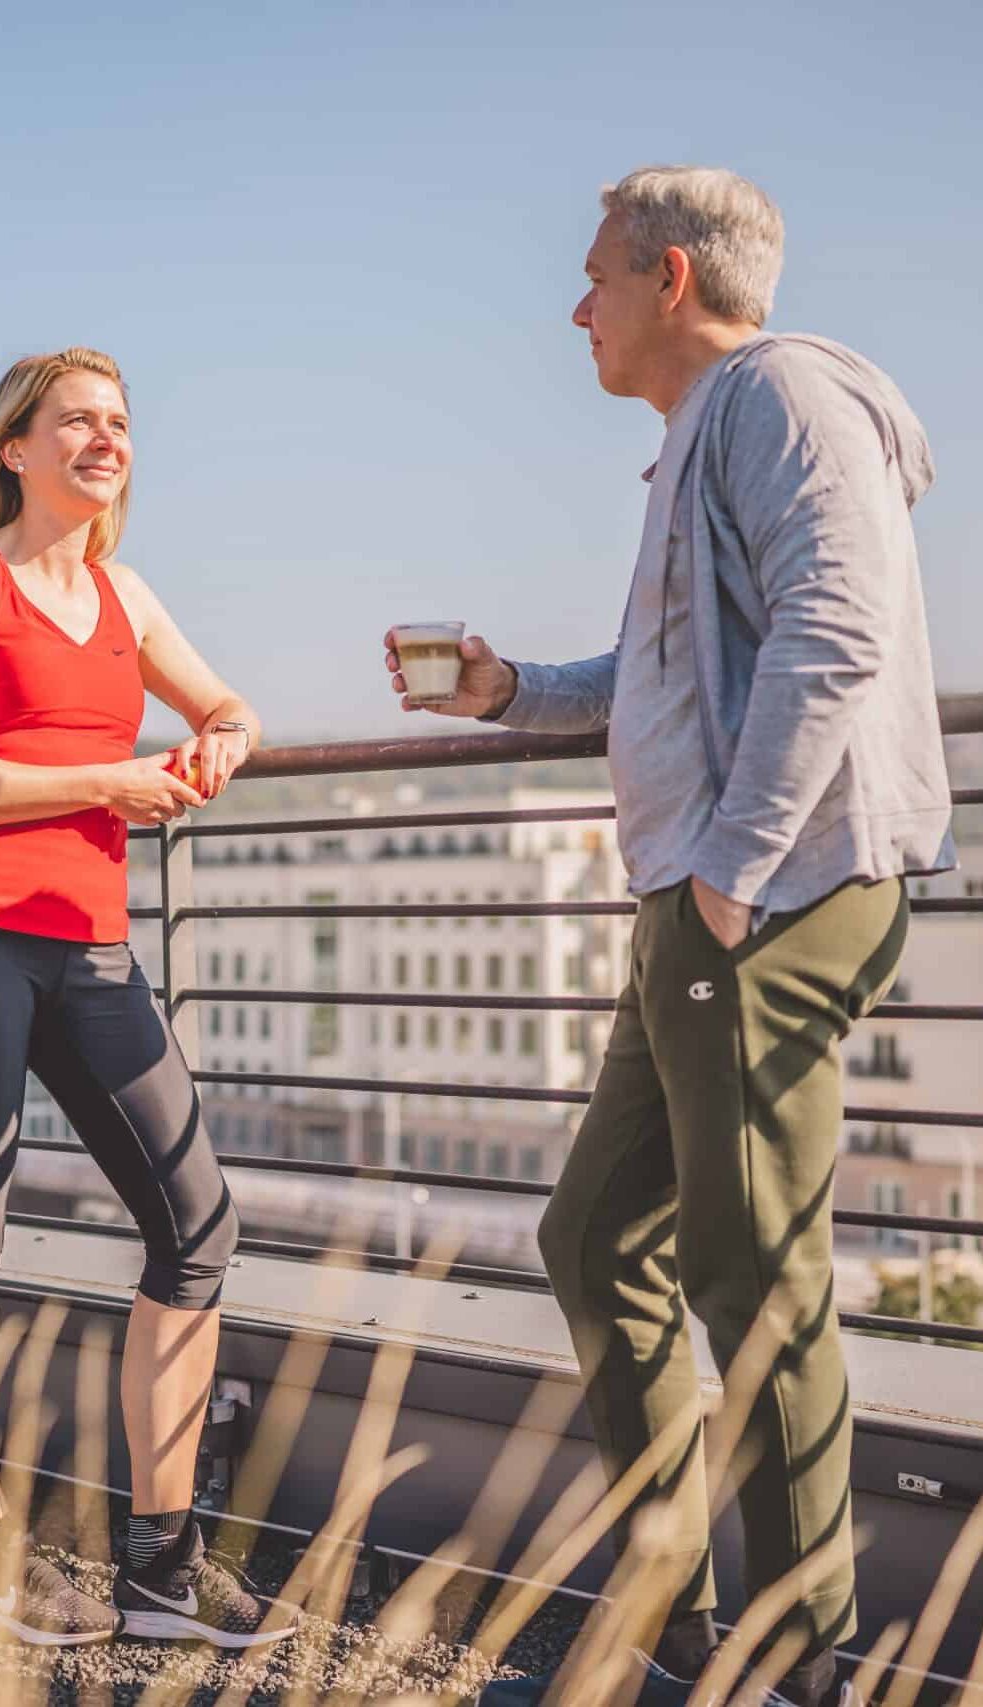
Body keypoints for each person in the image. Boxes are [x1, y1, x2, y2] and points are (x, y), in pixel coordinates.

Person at [386, 168, 953, 1705]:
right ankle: (672, 1633)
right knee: (596, 1241)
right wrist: (509, 692)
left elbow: (838, 631)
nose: (576, 309)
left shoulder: (779, 399)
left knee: (753, 1271)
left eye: (594, 280)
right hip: (708, 903)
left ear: (673, 278)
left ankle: (798, 1666)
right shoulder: (705, 438)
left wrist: (734, 867)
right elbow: (668, 683)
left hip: (763, 900)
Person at [0, 346, 297, 1648]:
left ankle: (164, 1571)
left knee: (198, 1225)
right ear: (16, 448)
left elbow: (230, 703)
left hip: (94, 945)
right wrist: (107, 781)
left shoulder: (125, 592)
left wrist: (223, 734)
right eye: (76, 422)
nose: (105, 439)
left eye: (119, 422)